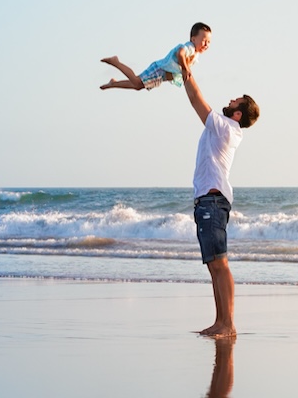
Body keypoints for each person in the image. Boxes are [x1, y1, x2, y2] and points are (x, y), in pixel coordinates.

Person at [184, 72, 259, 337]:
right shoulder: (221, 128)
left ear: (238, 114)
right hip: (207, 200)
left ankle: (228, 324)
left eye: (236, 101)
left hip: (213, 201)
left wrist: (185, 70)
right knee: (213, 265)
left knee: (220, 264)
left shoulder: (226, 127)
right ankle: (220, 321)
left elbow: (196, 99)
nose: (230, 100)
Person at [100, 22, 211, 91]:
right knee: (137, 82)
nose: (206, 44)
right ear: (193, 39)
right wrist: (186, 69)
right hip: (159, 69)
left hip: (161, 75)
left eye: (209, 42)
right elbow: (180, 53)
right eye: (204, 41)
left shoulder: (195, 54)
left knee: (137, 86)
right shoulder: (190, 47)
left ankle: (113, 84)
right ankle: (116, 62)